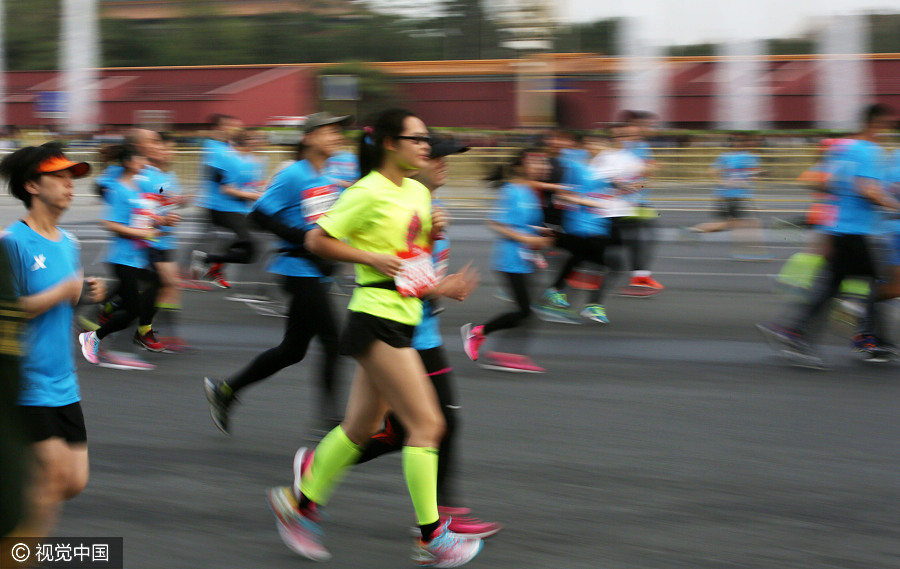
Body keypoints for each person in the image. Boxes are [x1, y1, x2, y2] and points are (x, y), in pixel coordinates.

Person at [266, 108, 484, 567]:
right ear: (390, 143)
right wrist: (369, 256)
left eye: (427, 140)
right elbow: (318, 241)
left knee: (359, 429)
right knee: (428, 425)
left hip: (399, 318)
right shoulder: (367, 191)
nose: (427, 147)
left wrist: (441, 285)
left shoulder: (417, 196)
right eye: (418, 139)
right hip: (374, 318)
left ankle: (299, 506)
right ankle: (431, 537)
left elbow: (411, 267)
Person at [306, 133, 499, 538]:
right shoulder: (385, 198)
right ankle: (434, 528)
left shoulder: (428, 206)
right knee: (429, 425)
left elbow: (414, 269)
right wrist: (440, 286)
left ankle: (309, 486)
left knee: (375, 427)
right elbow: (397, 273)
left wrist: (434, 246)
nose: (443, 164)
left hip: (412, 329)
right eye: (436, 157)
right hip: (397, 329)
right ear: (409, 157)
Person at [203, 113, 350, 435]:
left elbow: (321, 225)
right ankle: (330, 423)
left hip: (316, 271)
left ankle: (226, 390)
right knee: (333, 340)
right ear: (309, 138)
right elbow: (258, 216)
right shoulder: (294, 174)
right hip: (297, 270)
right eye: (329, 130)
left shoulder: (325, 176)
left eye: (338, 131)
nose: (337, 135)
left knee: (292, 350)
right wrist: (304, 240)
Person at [0, 143, 105, 537]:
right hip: (27, 384)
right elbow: (9, 309)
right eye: (58, 178)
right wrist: (63, 291)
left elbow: (69, 297)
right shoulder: (12, 243)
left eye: (71, 178)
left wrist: (88, 291)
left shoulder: (70, 243)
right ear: (31, 185)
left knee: (72, 482)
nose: (69, 186)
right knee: (50, 482)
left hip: (64, 382)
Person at [758, 104, 900, 366]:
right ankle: (866, 339)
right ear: (877, 124)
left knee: (839, 284)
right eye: (888, 124)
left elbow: (824, 182)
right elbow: (865, 188)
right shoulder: (870, 151)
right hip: (858, 232)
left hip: (841, 228)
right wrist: (894, 204)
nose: (890, 129)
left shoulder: (845, 148)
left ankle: (797, 331)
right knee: (874, 283)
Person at [460, 148, 555, 372]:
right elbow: (496, 223)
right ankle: (477, 334)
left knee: (530, 312)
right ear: (520, 166)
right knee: (525, 311)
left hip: (527, 259)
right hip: (510, 260)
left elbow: (524, 223)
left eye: (541, 163)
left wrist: (541, 232)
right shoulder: (511, 191)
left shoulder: (530, 192)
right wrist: (526, 238)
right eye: (534, 162)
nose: (540, 167)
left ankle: (507, 354)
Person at [78, 144, 171, 362]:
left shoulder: (137, 188)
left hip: (138, 256)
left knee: (158, 283)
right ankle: (94, 336)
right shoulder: (119, 189)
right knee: (134, 309)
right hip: (122, 258)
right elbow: (109, 223)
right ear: (128, 162)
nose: (144, 163)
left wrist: (160, 221)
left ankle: (112, 310)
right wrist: (140, 232)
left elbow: (143, 216)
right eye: (140, 159)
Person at [191, 114, 257, 289]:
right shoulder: (215, 148)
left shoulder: (232, 150)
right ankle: (204, 263)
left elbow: (240, 179)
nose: (235, 131)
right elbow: (221, 181)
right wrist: (247, 193)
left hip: (237, 206)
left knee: (241, 242)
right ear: (219, 128)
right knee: (246, 244)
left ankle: (211, 266)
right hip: (219, 205)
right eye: (231, 127)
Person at [688, 133, 763, 236]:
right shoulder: (734, 157)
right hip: (729, 196)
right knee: (731, 223)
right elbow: (711, 171)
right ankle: (693, 231)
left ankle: (695, 231)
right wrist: (725, 183)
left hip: (730, 196)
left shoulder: (733, 156)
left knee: (728, 224)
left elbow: (751, 176)